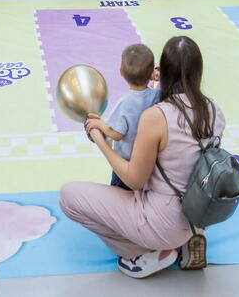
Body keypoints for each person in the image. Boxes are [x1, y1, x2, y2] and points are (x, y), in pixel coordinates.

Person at [61, 36, 225, 278]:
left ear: (162, 71)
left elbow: (134, 179)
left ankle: (148, 252)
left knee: (68, 197)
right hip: (201, 212)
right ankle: (189, 238)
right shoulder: (214, 110)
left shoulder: (156, 115)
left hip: (164, 220)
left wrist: (100, 140)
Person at [85, 44, 159, 190]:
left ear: (121, 72)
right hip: (148, 162)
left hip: (126, 165)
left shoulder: (125, 103)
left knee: (120, 195)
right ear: (152, 74)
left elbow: (116, 133)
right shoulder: (157, 95)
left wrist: (99, 124)